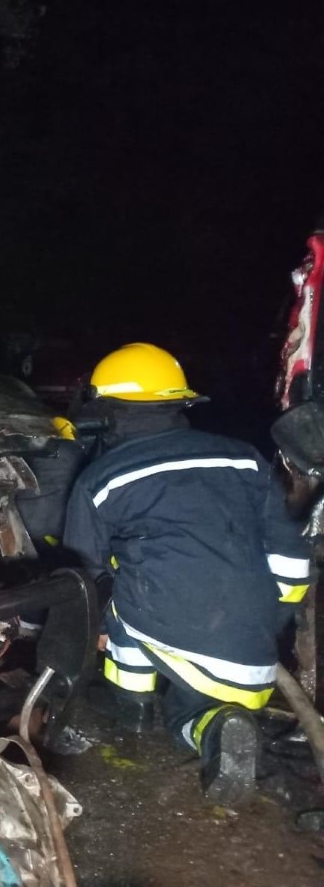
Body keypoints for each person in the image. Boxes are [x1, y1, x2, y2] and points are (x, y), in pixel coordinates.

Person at [63, 343, 312, 802]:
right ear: (180, 402)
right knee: (212, 675)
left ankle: (148, 709)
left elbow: (84, 577)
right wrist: (271, 618)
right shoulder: (243, 457)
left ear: (106, 409)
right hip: (255, 643)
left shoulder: (100, 479)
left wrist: (91, 632)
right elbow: (288, 551)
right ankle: (223, 716)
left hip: (170, 618)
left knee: (115, 594)